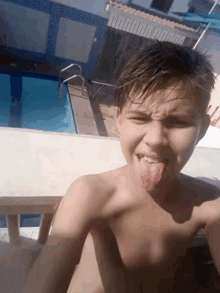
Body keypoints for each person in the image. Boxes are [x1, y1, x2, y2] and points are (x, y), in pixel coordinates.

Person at [24, 41, 220, 293]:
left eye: (178, 122)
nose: (156, 138)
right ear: (119, 121)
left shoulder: (208, 203)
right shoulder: (92, 194)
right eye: (140, 118)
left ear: (202, 129)